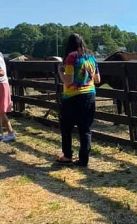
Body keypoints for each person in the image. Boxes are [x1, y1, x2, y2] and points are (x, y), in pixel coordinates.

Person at [57, 33, 101, 167]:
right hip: (89, 96)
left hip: (72, 97)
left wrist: (60, 72)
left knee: (66, 128)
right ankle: (83, 160)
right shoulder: (91, 57)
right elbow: (98, 80)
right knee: (85, 129)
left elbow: (68, 82)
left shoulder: (71, 57)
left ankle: (67, 155)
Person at [0, 52, 16, 142]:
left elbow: (1, 72)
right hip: (2, 83)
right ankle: (3, 134)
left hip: (1, 84)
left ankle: (11, 133)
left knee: (1, 112)